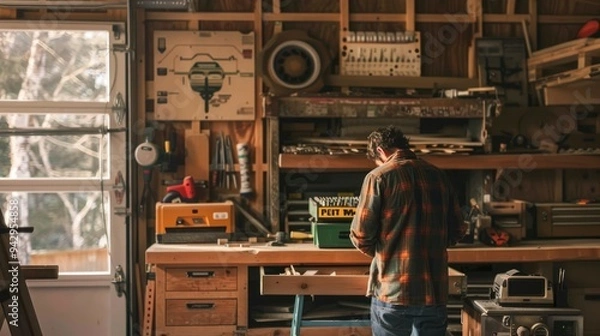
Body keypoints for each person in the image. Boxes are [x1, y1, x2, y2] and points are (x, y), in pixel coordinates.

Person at [349, 125, 466, 336]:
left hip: (394, 292)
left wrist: (387, 252)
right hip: (434, 293)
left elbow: (361, 235)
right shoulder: (439, 176)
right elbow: (458, 230)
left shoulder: (378, 177)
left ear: (380, 152)